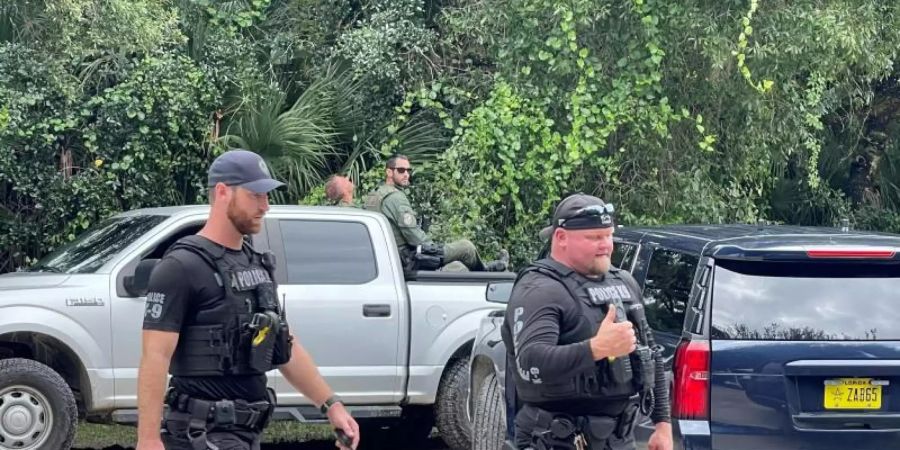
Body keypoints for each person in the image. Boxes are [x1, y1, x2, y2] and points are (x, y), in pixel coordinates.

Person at [136, 149, 360, 450]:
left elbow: (285, 346)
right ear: (222, 192)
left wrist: (331, 405)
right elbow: (155, 356)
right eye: (256, 194)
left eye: (267, 195)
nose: (265, 205)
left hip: (246, 432)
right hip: (200, 433)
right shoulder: (180, 266)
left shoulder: (256, 264)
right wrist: (148, 440)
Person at [500, 194, 672, 450]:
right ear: (561, 238)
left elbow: (651, 354)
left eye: (608, 235)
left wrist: (662, 425)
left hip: (619, 438)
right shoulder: (539, 289)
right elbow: (531, 361)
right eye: (593, 238)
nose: (605, 245)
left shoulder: (623, 282)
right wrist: (597, 348)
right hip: (557, 439)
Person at [363, 154, 508, 272]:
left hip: (387, 258)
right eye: (401, 170)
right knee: (466, 248)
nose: (406, 174)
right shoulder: (395, 197)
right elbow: (412, 234)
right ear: (389, 172)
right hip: (407, 258)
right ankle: (488, 274)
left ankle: (488, 268)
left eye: (408, 170)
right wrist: (433, 248)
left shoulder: (374, 196)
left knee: (457, 267)